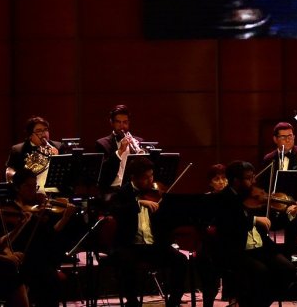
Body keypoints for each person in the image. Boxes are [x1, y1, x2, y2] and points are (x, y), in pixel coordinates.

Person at [211, 161, 296, 307]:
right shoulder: (223, 198)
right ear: (236, 181)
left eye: (253, 177)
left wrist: (290, 214)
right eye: (249, 178)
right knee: (261, 272)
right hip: (238, 250)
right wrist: (254, 219)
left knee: (288, 269)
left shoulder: (254, 197)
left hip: (260, 247)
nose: (254, 181)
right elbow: (229, 224)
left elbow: (272, 225)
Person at [108, 156, 187, 307]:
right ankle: (132, 302)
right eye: (146, 178)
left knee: (180, 260)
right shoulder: (122, 193)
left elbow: (167, 223)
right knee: (126, 262)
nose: (151, 181)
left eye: (151, 176)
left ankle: (174, 301)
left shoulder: (157, 193)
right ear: (133, 177)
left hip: (154, 245)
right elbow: (115, 210)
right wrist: (138, 203)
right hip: (130, 245)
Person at [9, 169, 78, 307]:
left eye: (34, 186)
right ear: (17, 187)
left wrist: (65, 218)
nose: (33, 191)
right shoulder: (11, 209)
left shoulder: (38, 209)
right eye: (28, 186)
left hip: (37, 259)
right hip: (18, 259)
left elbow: (51, 234)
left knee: (49, 276)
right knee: (48, 278)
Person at [261, 121, 297, 255]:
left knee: (294, 220)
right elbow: (264, 185)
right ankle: (270, 255)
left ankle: (289, 256)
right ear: (275, 139)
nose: (288, 140)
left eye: (290, 136)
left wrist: (294, 204)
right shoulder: (268, 159)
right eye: (283, 137)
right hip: (275, 203)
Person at [5, 116, 69, 190]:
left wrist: (57, 158)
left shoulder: (58, 146)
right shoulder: (18, 150)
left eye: (45, 130)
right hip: (30, 192)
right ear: (30, 135)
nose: (44, 134)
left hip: (55, 191)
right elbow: (10, 171)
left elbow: (66, 172)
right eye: (39, 131)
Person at [196, 164, 228, 307]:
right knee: (205, 257)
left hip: (230, 242)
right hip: (211, 242)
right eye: (217, 179)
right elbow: (201, 224)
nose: (221, 182)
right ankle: (208, 298)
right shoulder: (205, 199)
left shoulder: (234, 199)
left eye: (224, 178)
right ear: (210, 182)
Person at [96, 104, 147, 190]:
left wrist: (142, 153)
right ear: (111, 122)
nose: (122, 126)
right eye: (118, 122)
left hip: (133, 189)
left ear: (129, 122)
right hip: (112, 190)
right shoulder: (102, 144)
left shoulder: (139, 141)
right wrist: (120, 151)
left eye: (125, 122)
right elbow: (104, 172)